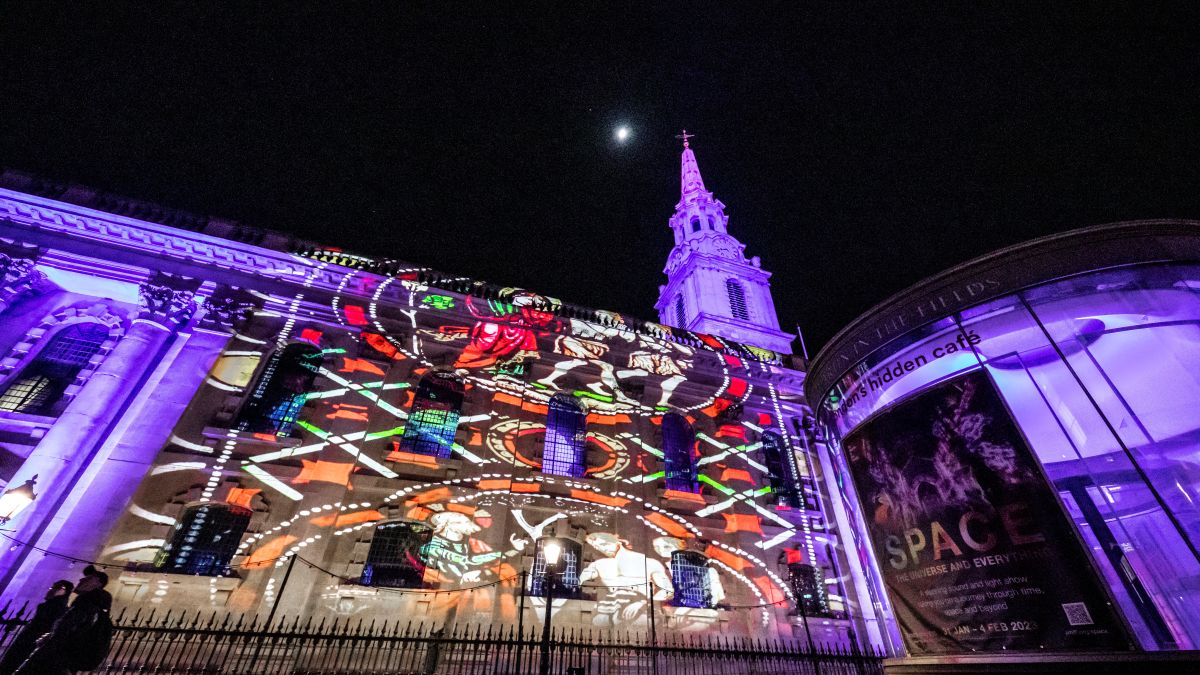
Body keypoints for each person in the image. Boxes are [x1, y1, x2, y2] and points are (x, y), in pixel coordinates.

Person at [15, 569, 113, 675]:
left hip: (53, 660)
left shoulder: (86, 607)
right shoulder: (87, 605)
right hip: (60, 660)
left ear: (98, 584)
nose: (82, 579)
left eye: (89, 578)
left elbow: (65, 634)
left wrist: (48, 644)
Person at [0, 579, 73, 675]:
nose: (51, 589)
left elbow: (46, 624)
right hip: (30, 639)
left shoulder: (57, 606)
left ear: (64, 591)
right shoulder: (53, 604)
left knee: (12, 663)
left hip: (31, 640)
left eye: (56, 587)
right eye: (52, 587)